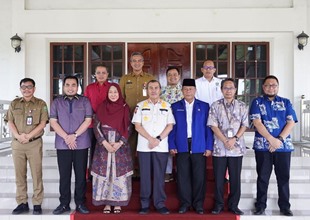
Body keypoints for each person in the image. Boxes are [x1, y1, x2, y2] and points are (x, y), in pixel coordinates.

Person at [249, 75, 297, 217]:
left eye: (274, 85)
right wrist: (271, 140)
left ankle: (285, 206)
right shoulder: (257, 102)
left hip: (283, 147)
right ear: (263, 87)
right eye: (268, 85)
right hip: (263, 146)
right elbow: (257, 123)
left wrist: (279, 140)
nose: (271, 87)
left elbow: (291, 122)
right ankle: (260, 205)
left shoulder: (286, 102)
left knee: (283, 177)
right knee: (263, 177)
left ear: (278, 87)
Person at [168, 78, 213, 215]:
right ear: (182, 91)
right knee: (183, 176)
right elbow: (172, 127)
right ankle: (185, 203)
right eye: (186, 89)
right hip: (181, 145)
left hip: (199, 145)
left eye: (191, 89)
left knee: (199, 177)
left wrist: (209, 146)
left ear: (195, 90)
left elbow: (208, 128)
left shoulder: (204, 106)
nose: (188, 91)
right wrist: (172, 144)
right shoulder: (175, 106)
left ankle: (198, 204)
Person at [4, 78, 49, 215]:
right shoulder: (14, 103)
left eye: (29, 87)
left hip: (34, 143)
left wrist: (28, 136)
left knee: (36, 174)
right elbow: (9, 121)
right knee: (20, 174)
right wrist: (18, 136)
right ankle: (22, 202)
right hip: (17, 144)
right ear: (20, 89)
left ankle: (37, 203)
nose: (26, 89)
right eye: (23, 87)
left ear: (34, 89)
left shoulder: (41, 104)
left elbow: (42, 123)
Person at [50, 76, 92, 215]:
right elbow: (53, 122)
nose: (70, 87)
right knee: (64, 175)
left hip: (81, 143)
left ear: (78, 86)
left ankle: (80, 203)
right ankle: (64, 204)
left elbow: (88, 120)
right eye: (67, 84)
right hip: (63, 144)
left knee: (81, 175)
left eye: (73, 85)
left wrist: (74, 136)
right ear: (63, 86)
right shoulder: (56, 102)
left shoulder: (85, 101)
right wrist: (67, 137)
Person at [132, 80, 175, 215]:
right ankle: (144, 204)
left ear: (160, 89)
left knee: (159, 176)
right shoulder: (140, 106)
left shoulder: (167, 106)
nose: (154, 90)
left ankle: (159, 203)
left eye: (156, 88)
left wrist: (158, 139)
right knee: (145, 176)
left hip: (161, 146)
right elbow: (137, 126)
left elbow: (170, 125)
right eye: (151, 88)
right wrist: (151, 139)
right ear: (147, 90)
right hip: (145, 147)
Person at [207, 78, 248, 215]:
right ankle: (218, 205)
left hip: (236, 148)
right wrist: (225, 140)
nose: (228, 91)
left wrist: (234, 139)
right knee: (219, 179)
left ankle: (234, 205)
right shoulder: (215, 105)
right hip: (220, 147)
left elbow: (244, 125)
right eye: (226, 88)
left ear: (235, 90)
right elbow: (213, 125)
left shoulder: (242, 105)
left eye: (231, 88)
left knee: (235, 178)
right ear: (221, 90)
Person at [91, 83, 133, 214]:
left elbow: (129, 127)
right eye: (110, 92)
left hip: (120, 147)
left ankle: (118, 202)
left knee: (118, 175)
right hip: (104, 147)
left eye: (115, 92)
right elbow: (96, 127)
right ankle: (106, 203)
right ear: (107, 94)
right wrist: (105, 143)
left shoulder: (125, 108)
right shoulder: (102, 107)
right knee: (105, 175)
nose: (113, 95)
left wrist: (120, 143)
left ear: (119, 93)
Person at [119, 52, 155, 178]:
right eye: (134, 61)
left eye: (139, 60)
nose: (137, 63)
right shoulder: (125, 79)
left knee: (145, 144)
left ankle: (145, 172)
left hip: (147, 119)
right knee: (130, 144)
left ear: (143, 63)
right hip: (129, 117)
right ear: (131, 63)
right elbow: (120, 99)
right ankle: (130, 172)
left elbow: (154, 95)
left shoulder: (150, 78)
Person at [84, 65, 111, 179]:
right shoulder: (89, 88)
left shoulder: (112, 87)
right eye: (98, 72)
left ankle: (106, 173)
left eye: (103, 72)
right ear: (95, 74)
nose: (101, 75)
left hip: (107, 123)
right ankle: (91, 174)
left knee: (105, 147)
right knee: (92, 148)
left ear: (107, 74)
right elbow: (85, 105)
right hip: (91, 123)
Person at [160, 66, 183, 182]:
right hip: (165, 124)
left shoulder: (185, 90)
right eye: (170, 75)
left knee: (180, 146)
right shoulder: (161, 91)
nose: (172, 77)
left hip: (181, 124)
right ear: (167, 77)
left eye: (175, 74)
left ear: (179, 77)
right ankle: (168, 172)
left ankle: (180, 171)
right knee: (166, 147)